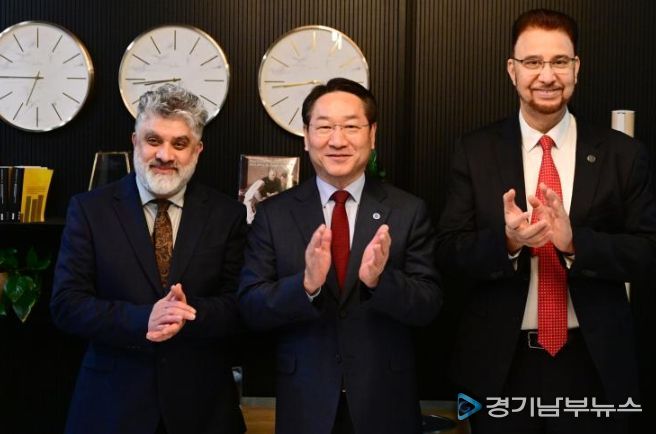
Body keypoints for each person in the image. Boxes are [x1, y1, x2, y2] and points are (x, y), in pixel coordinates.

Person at [436, 9, 656, 434]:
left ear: (576, 68)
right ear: (512, 70)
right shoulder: (475, 150)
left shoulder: (622, 154)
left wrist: (575, 244)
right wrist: (508, 242)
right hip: (500, 365)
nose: (547, 75)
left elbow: (647, 252)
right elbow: (447, 251)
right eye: (533, 62)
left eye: (559, 61)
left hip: (592, 362)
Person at [238, 77, 442, 434]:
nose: (337, 140)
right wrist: (306, 286)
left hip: (385, 401)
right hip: (305, 403)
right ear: (306, 136)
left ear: (372, 135)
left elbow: (429, 306)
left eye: (351, 126)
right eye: (324, 127)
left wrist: (380, 282)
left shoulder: (408, 211)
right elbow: (250, 307)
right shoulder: (274, 215)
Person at [51, 84, 247, 434]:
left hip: (202, 410)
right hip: (110, 409)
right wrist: (145, 318)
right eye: (153, 140)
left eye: (180, 144)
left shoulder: (227, 214)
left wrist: (186, 314)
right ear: (135, 142)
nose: (164, 155)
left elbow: (240, 305)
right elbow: (67, 304)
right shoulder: (89, 210)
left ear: (198, 150)